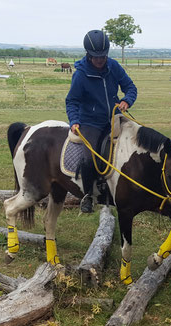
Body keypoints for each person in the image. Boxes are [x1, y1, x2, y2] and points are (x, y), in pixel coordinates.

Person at [66, 30, 137, 213]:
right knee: (89, 159)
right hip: (91, 122)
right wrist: (74, 120)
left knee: (137, 144)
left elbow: (130, 87)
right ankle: (88, 195)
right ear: (89, 55)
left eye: (103, 56)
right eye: (96, 57)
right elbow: (72, 101)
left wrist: (127, 100)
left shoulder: (114, 66)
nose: (100, 60)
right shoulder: (81, 75)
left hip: (114, 117)